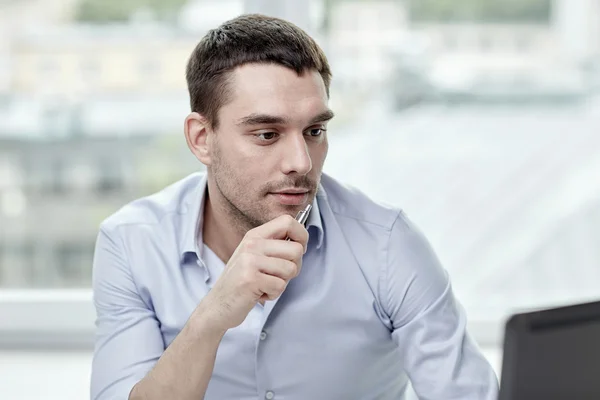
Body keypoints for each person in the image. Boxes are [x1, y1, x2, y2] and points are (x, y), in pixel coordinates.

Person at [90, 13, 499, 400]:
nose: (302, 162)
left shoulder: (387, 244)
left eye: (315, 130)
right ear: (201, 138)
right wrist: (214, 313)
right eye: (267, 134)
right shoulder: (132, 242)